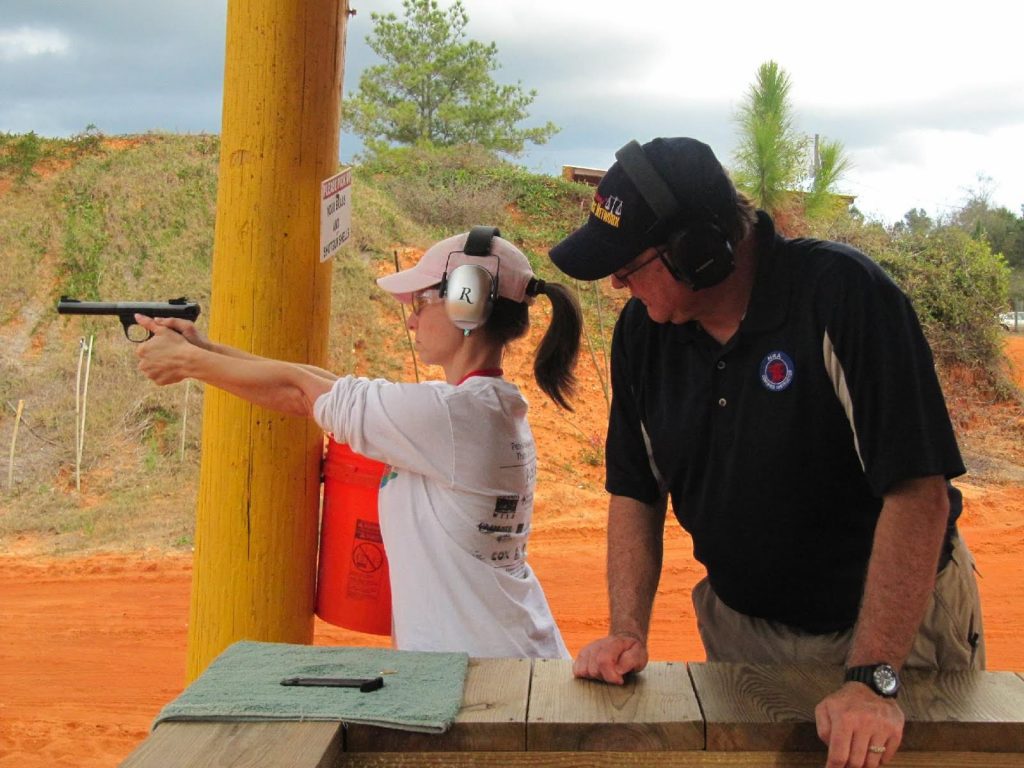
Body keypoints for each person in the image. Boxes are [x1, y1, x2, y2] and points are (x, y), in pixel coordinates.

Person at [547, 137, 984, 768]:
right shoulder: (645, 333)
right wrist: (627, 632)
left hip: (891, 635)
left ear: (698, 253)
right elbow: (635, 490)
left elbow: (919, 494)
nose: (616, 281)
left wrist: (872, 678)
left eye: (629, 263)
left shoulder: (844, 297)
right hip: (742, 636)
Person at [136, 227, 582, 660]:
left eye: (421, 301)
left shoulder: (450, 416)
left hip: (485, 677)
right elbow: (314, 389)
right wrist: (205, 351)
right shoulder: (480, 409)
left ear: (467, 302)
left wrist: (189, 362)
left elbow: (301, 390)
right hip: (504, 658)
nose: (411, 318)